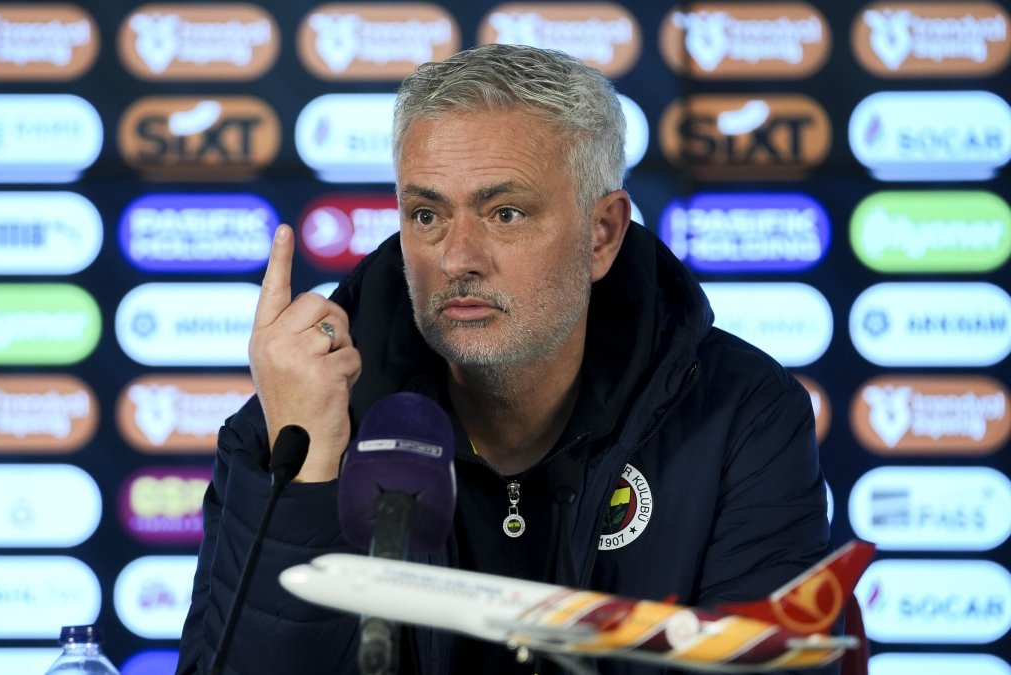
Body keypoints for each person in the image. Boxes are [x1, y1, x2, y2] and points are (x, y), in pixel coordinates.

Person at [177, 44, 832, 674]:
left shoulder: (740, 414)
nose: (457, 257)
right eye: (427, 214)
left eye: (506, 213)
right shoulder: (290, 426)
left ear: (602, 233)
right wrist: (308, 467)